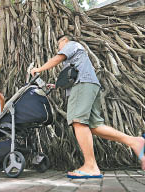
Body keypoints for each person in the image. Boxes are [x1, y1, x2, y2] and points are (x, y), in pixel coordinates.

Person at [31, 35, 145, 179]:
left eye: (58, 44)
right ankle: (134, 141)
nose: (58, 48)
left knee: (78, 121)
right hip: (89, 85)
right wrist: (55, 85)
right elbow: (69, 76)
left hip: (82, 85)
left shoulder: (71, 44)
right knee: (94, 126)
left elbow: (58, 58)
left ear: (64, 40)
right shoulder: (76, 56)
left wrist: (39, 69)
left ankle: (91, 166)